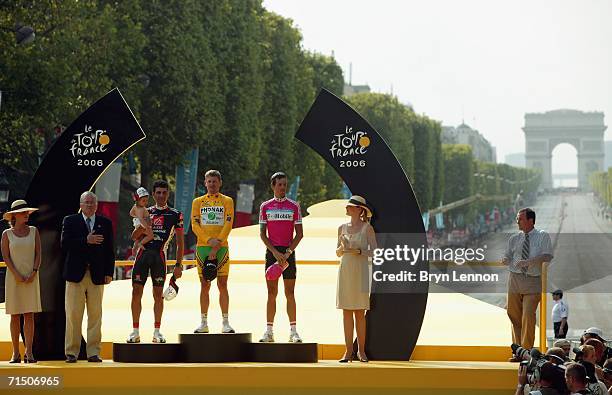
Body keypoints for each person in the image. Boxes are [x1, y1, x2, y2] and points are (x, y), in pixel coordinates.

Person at [127, 180, 183, 343]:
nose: (161, 195)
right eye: (158, 192)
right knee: (136, 292)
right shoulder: (144, 210)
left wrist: (178, 265)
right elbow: (134, 237)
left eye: (164, 193)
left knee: (158, 295)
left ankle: (157, 332)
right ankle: (135, 331)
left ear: (168, 194)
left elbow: (180, 242)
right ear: (153, 194)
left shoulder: (175, 214)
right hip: (143, 256)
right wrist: (143, 227)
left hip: (160, 256)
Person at [61, 191, 114, 363]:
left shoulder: (105, 222)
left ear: (97, 205)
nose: (90, 205)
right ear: (81, 204)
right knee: (73, 315)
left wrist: (109, 272)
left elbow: (109, 251)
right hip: (75, 275)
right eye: (87, 202)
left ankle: (93, 352)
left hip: (97, 276)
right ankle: (71, 352)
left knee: (95, 315)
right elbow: (65, 244)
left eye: (93, 202)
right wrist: (86, 240)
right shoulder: (70, 221)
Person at [258, 172, 304, 343]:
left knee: (290, 292)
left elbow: (299, 234)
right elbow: (262, 234)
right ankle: (269, 331)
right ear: (273, 186)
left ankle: (293, 331)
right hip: (272, 253)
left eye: (285, 184)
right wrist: (275, 253)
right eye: (280, 185)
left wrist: (287, 253)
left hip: (288, 253)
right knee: (272, 293)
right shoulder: (265, 206)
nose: (283, 187)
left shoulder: (294, 206)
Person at [503, 208, 553, 361]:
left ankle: (526, 352)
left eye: (520, 219)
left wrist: (529, 262)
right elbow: (507, 255)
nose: (517, 221)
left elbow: (547, 255)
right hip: (514, 279)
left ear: (531, 220)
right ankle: (517, 350)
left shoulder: (542, 236)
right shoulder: (513, 238)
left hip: (533, 280)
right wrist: (505, 259)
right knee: (513, 315)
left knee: (528, 316)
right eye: (517, 219)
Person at [191, 170, 235, 333]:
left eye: (214, 181)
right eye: (209, 181)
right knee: (204, 285)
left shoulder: (227, 201)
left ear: (220, 183)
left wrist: (217, 244)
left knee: (222, 284)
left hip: (222, 247)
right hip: (203, 247)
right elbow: (195, 225)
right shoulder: (198, 202)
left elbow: (228, 223)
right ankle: (203, 322)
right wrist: (209, 241)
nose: (212, 184)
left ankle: (225, 322)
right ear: (205, 183)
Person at [336, 195, 377, 363]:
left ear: (359, 209)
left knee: (360, 312)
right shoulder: (341, 228)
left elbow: (375, 251)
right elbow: (337, 253)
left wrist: (358, 251)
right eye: (348, 206)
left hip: (360, 270)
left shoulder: (367, 228)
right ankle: (348, 351)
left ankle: (361, 351)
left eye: (351, 206)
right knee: (346, 312)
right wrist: (343, 247)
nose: (348, 208)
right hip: (345, 269)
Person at [1, 200, 42, 363]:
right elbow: (5, 256)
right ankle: (15, 353)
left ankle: (29, 352)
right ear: (14, 216)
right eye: (23, 212)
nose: (27, 214)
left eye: (27, 212)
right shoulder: (6, 234)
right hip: (13, 277)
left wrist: (34, 272)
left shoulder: (34, 231)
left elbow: (39, 253)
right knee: (15, 315)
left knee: (29, 314)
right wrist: (16, 274)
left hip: (31, 277)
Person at [130, 187, 154, 253]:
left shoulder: (135, 206)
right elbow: (141, 219)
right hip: (142, 224)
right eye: (143, 201)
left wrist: (136, 216)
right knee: (151, 235)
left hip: (137, 224)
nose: (145, 202)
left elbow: (131, 213)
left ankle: (134, 248)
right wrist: (147, 227)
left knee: (139, 238)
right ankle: (141, 244)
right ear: (137, 200)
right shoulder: (141, 209)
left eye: (146, 200)